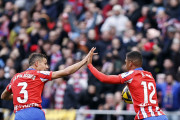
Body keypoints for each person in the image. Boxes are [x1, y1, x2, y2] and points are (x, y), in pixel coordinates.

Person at [1, 47, 96, 120]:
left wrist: (19, 96)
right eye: (45, 63)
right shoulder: (39, 74)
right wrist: (84, 61)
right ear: (37, 64)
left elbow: (3, 96)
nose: (47, 67)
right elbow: (66, 72)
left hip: (19, 115)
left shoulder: (15, 77)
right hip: (35, 113)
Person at [87, 50, 168, 120]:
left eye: (125, 62)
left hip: (147, 117)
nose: (125, 64)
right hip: (161, 115)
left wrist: (90, 65)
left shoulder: (131, 75)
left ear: (130, 63)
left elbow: (104, 78)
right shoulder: (149, 75)